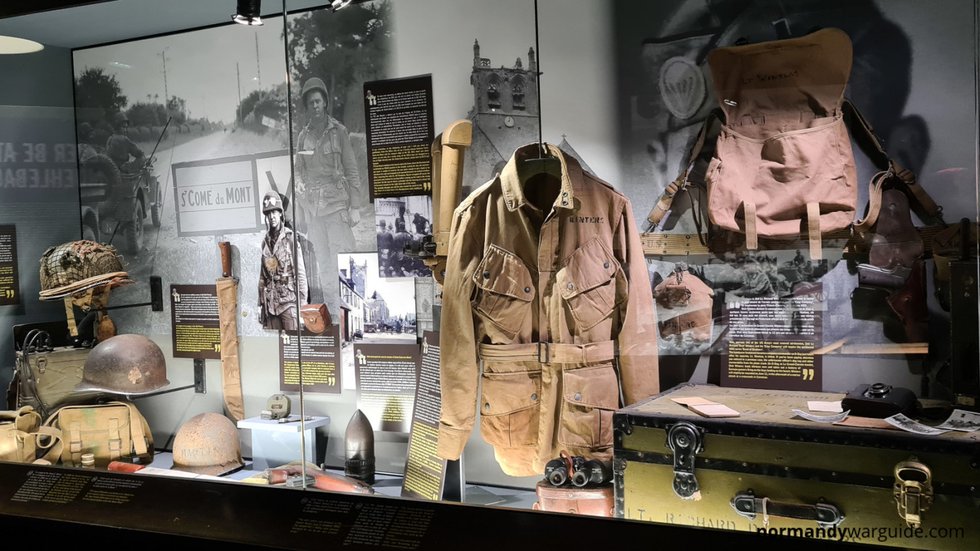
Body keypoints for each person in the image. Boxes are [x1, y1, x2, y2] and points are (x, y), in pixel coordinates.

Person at [294, 76, 363, 309]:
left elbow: (352, 170)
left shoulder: (339, 132)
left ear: (324, 103)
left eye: (318, 101)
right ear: (307, 106)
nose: (314, 106)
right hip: (314, 212)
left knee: (340, 259)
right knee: (323, 265)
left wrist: (355, 207)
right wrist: (300, 184)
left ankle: (346, 312)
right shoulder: (303, 137)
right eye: (310, 102)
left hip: (336, 207)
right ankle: (333, 314)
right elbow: (299, 172)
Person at [258, 191, 308, 331]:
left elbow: (301, 275)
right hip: (271, 305)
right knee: (275, 347)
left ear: (280, 213)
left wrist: (303, 308)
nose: (272, 216)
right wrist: (260, 304)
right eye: (268, 213)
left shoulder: (290, 239)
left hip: (289, 303)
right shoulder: (264, 243)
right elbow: (262, 277)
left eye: (274, 212)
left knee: (291, 345)